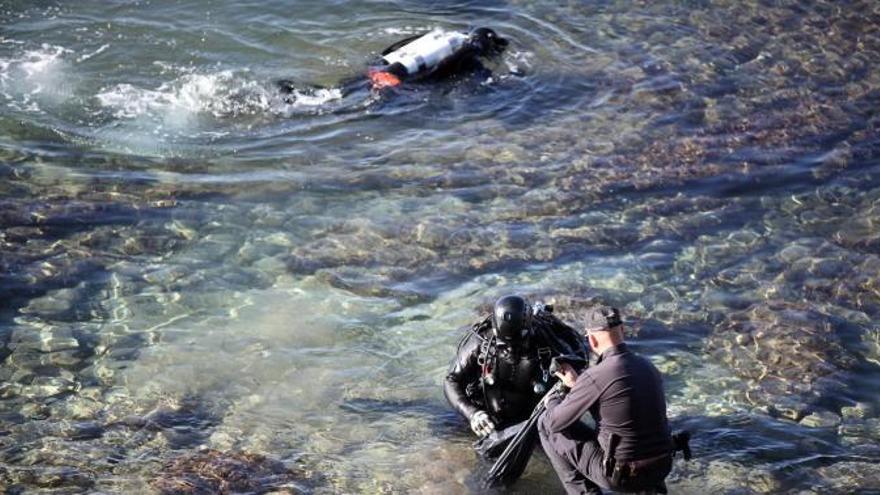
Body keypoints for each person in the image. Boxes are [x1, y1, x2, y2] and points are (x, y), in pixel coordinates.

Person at [538, 306, 674, 495]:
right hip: (662, 467)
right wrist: (578, 385)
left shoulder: (596, 375)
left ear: (592, 340)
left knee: (544, 423)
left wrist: (553, 400)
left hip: (625, 476)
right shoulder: (648, 366)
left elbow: (554, 423)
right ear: (623, 331)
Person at [444, 295, 589, 457]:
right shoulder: (481, 342)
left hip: (535, 419)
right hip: (489, 417)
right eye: (504, 345)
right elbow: (452, 379)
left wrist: (565, 389)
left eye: (518, 344)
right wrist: (472, 414)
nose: (511, 351)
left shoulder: (546, 341)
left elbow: (580, 366)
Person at [277, 27, 509, 101]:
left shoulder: (435, 42)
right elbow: (444, 69)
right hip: (395, 82)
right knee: (337, 103)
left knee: (335, 95)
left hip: (380, 71)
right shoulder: (469, 57)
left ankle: (293, 96)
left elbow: (389, 52)